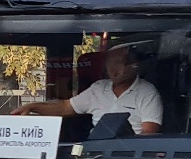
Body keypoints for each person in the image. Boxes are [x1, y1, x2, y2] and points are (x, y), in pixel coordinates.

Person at [12, 42, 163, 135]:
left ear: (134, 65)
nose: (113, 69)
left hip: (128, 157)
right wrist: (33, 106)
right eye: (109, 63)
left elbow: (149, 134)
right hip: (95, 155)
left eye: (118, 63)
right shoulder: (98, 88)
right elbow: (65, 107)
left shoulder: (147, 92)